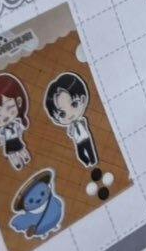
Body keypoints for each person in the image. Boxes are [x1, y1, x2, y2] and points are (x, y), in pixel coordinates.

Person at [44, 71, 116, 200]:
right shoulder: (71, 127)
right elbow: (71, 134)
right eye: (62, 114)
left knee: (90, 150)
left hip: (86, 138)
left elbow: (85, 126)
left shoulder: (82, 121)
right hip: (79, 141)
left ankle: (93, 161)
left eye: (74, 104)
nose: (70, 114)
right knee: (82, 153)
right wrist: (72, 130)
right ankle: (87, 163)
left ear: (82, 99)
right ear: (55, 117)